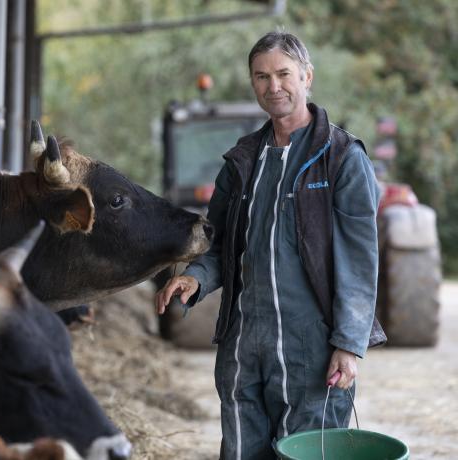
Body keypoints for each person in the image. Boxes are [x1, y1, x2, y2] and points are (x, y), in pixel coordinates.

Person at [155, 31, 385, 459]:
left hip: (312, 346)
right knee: (241, 449)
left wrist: (349, 344)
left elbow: (360, 259)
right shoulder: (241, 161)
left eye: (284, 74)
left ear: (307, 76)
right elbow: (218, 239)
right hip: (244, 343)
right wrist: (195, 277)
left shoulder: (342, 158)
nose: (273, 86)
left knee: (309, 452)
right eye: (261, 77)